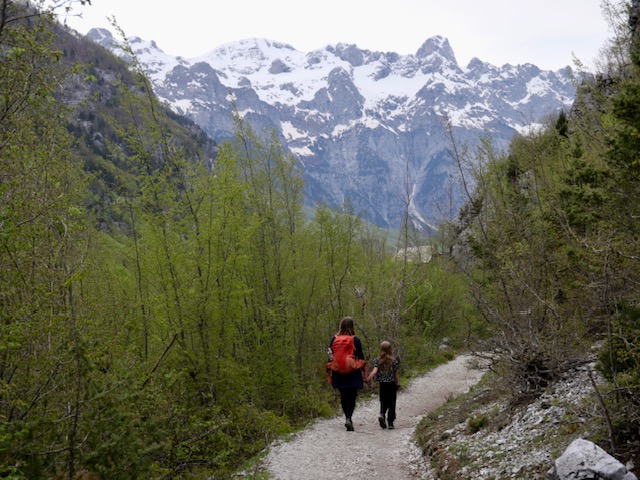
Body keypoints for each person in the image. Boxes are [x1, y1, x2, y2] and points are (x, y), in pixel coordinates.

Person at [328, 316, 366, 431]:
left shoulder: (334, 339)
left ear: (341, 326)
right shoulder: (355, 340)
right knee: (352, 396)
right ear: (352, 326)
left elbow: (330, 356)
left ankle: (347, 417)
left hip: (338, 372)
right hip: (353, 372)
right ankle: (349, 417)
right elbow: (361, 356)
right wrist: (364, 371)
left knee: (343, 396)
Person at [366, 341, 400, 429]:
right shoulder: (394, 361)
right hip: (391, 384)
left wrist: (368, 379)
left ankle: (382, 414)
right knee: (392, 402)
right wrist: (397, 383)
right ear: (390, 349)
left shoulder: (378, 360)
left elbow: (374, 371)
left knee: (383, 401)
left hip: (382, 385)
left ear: (381, 349)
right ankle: (390, 422)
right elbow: (396, 374)